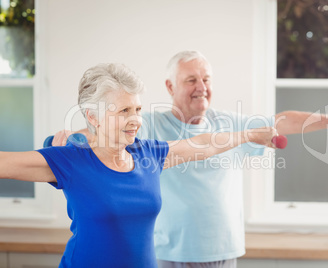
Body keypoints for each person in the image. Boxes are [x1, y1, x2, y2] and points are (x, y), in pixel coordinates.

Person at [52, 51, 328, 268]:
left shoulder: (228, 122)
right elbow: (109, 129)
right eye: (191, 80)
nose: (202, 87)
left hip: (220, 251)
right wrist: (76, 136)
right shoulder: (150, 125)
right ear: (170, 87)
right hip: (167, 251)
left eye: (206, 79)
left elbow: (283, 121)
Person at [0, 63, 278, 268]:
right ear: (92, 117)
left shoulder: (148, 155)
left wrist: (250, 134)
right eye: (124, 111)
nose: (135, 120)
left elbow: (204, 144)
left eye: (137, 109)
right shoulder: (71, 160)